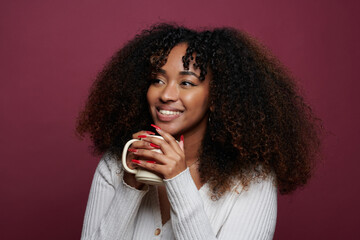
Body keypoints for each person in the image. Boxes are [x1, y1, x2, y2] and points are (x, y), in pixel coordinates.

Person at [76, 23, 321, 240]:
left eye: (186, 83)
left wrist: (178, 181)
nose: (166, 95)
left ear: (217, 97)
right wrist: (129, 186)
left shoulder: (251, 179)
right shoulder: (118, 163)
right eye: (157, 80)